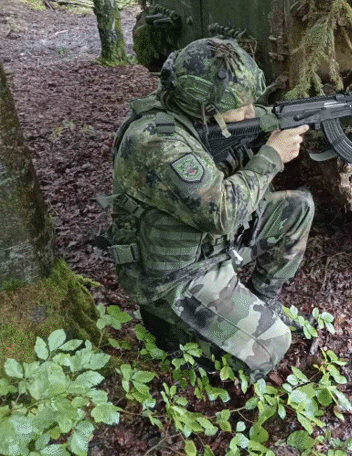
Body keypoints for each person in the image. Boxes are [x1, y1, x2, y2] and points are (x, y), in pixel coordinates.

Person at [106, 37, 313, 379]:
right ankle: (178, 336)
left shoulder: (187, 111)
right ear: (205, 106)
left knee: (297, 208)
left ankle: (260, 301)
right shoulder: (159, 142)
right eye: (240, 105)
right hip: (173, 277)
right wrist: (272, 156)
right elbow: (222, 213)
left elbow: (256, 118)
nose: (249, 112)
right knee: (275, 345)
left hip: (204, 248)